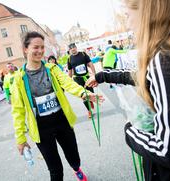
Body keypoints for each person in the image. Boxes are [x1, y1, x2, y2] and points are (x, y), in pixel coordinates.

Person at [86, 0, 170, 180]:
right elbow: (140, 77)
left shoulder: (165, 60)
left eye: (128, 13)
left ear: (147, 11)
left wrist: (130, 131)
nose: (128, 22)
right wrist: (102, 76)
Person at [11, 31, 103, 181]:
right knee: (55, 169)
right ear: (25, 49)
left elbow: (68, 83)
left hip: (61, 120)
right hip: (41, 127)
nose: (40, 51)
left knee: (73, 155)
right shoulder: (18, 79)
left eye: (42, 47)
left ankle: (76, 168)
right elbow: (17, 110)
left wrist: (84, 93)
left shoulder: (52, 69)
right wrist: (20, 137)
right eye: (36, 47)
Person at [67, 43, 96, 118]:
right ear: (69, 50)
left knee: (91, 93)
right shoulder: (69, 59)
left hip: (86, 77)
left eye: (74, 47)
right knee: (83, 95)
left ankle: (90, 101)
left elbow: (90, 64)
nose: (73, 49)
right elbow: (70, 71)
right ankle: (89, 111)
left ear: (76, 48)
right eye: (71, 48)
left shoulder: (83, 54)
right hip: (78, 79)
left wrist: (94, 74)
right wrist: (68, 81)